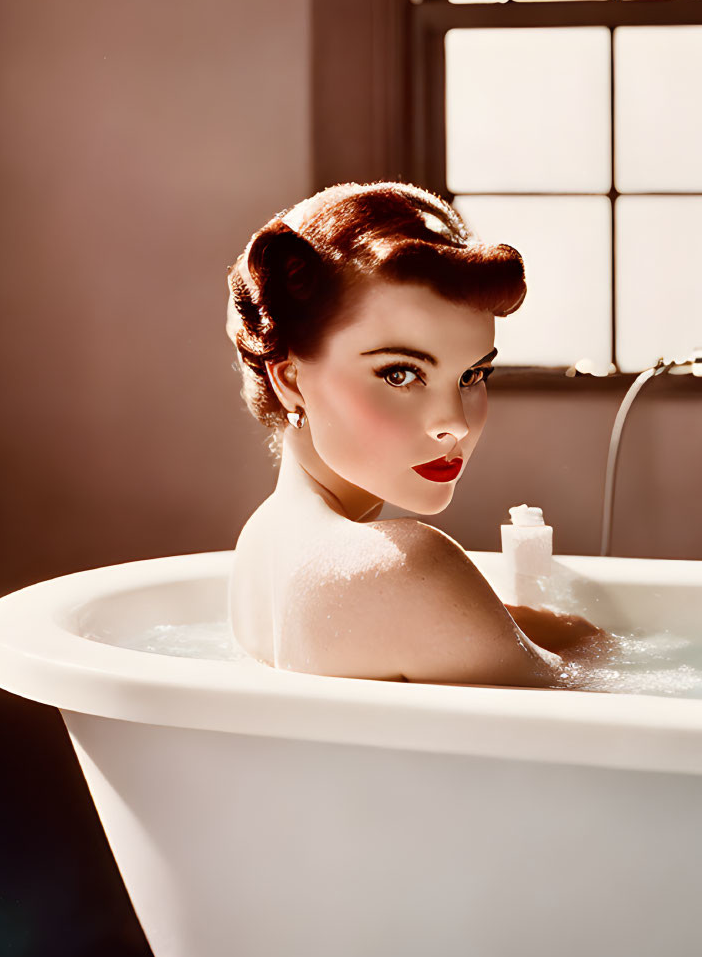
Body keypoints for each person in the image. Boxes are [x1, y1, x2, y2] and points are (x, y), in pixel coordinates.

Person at [224, 181, 602, 685]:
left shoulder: (262, 544)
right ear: (289, 378)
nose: (454, 423)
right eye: (400, 374)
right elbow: (600, 730)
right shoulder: (408, 568)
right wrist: (590, 639)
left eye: (472, 375)